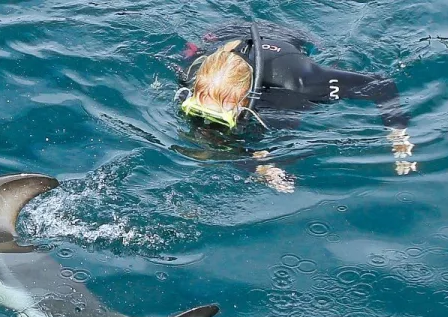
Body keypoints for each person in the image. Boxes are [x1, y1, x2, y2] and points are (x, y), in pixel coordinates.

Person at [173, 23, 415, 192]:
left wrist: (398, 135)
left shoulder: (304, 83)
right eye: (198, 110)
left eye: (220, 117)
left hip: (290, 39)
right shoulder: (197, 74)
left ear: (247, 100)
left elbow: (381, 85)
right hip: (228, 32)